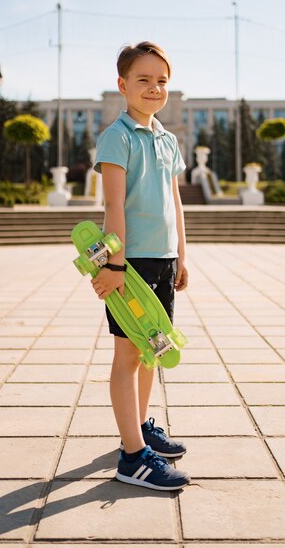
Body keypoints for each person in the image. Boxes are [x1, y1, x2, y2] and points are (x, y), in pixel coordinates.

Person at [92, 41, 190, 491]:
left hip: (164, 260)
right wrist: (113, 264)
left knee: (154, 347)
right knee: (128, 355)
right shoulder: (117, 137)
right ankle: (132, 457)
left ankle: (141, 426)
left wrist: (182, 256)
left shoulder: (168, 140)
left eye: (161, 81)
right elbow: (114, 206)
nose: (154, 88)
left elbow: (175, 201)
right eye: (143, 80)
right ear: (122, 85)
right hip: (129, 263)